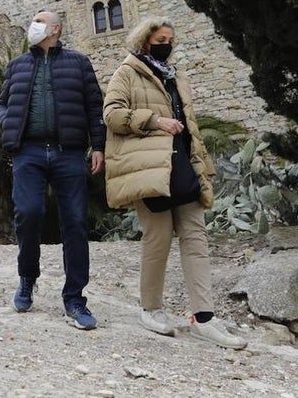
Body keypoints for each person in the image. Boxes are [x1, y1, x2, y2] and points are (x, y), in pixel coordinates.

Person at [102, 18, 247, 349]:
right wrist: (154, 121)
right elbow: (111, 115)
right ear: (145, 41)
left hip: (183, 167)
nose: (166, 43)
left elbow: (190, 124)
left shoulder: (176, 75)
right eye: (160, 39)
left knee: (196, 239)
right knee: (158, 240)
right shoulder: (127, 72)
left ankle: (204, 317)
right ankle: (150, 309)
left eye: (170, 38)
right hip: (150, 169)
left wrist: (202, 164)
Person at [0, 10, 106, 329]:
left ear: (55, 28)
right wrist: (7, 122)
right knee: (28, 213)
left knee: (74, 222)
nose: (34, 25)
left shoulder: (78, 63)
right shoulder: (16, 65)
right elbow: (2, 103)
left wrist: (98, 145)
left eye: (39, 21)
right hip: (28, 151)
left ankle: (74, 299)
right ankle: (27, 278)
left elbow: (94, 105)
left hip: (68, 153)